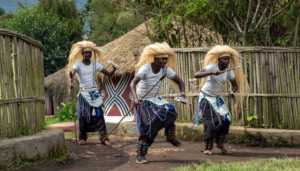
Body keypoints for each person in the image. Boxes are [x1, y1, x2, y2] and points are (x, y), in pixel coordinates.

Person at [130, 42, 186, 164]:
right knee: (147, 125)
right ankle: (140, 155)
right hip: (142, 100)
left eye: (166, 59)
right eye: (162, 59)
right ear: (155, 59)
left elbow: (180, 82)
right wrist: (135, 99)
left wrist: (182, 95)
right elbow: (132, 83)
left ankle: (170, 137)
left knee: (170, 110)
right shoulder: (145, 68)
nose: (165, 62)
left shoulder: (166, 70)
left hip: (155, 99)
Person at [193, 45, 249, 155]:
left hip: (217, 98)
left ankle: (220, 142)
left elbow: (235, 85)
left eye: (228, 59)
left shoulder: (228, 70)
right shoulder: (211, 67)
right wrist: (212, 72)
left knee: (226, 119)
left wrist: (232, 92)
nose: (227, 61)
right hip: (206, 97)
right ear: (218, 60)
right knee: (210, 122)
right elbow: (196, 74)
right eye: (224, 59)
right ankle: (207, 147)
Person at [67, 41, 117, 146]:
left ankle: (103, 137)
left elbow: (108, 74)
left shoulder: (95, 65)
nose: (88, 54)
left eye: (89, 53)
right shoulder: (78, 64)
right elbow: (72, 72)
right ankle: (82, 137)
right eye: (86, 53)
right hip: (84, 94)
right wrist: (71, 81)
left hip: (94, 93)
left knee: (99, 114)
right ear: (82, 54)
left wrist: (113, 69)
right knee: (82, 115)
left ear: (91, 54)